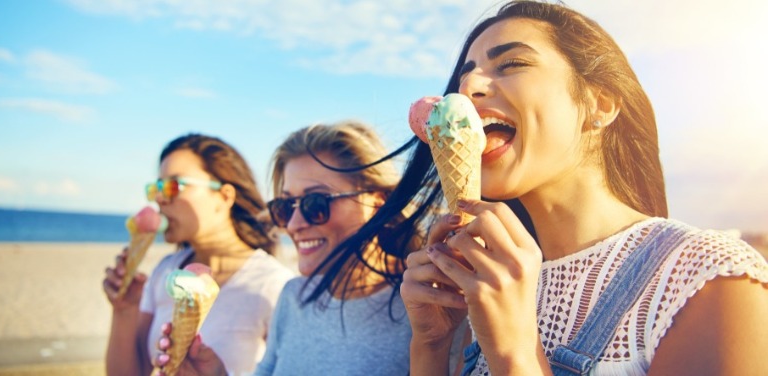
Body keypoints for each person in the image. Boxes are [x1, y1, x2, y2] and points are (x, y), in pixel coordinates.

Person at [339, 1, 768, 375]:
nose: (467, 89)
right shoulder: (487, 280)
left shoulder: (708, 279)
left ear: (600, 104)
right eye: (463, 77)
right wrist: (430, 346)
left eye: (511, 64)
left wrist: (514, 353)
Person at [156, 121, 423, 375]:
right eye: (285, 207)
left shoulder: (425, 308)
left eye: (315, 203)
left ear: (377, 203)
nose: (294, 225)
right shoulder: (294, 297)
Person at [102, 133, 295, 375]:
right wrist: (124, 309)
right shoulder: (166, 271)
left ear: (224, 196)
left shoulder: (272, 285)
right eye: (156, 188)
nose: (160, 199)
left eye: (174, 186)